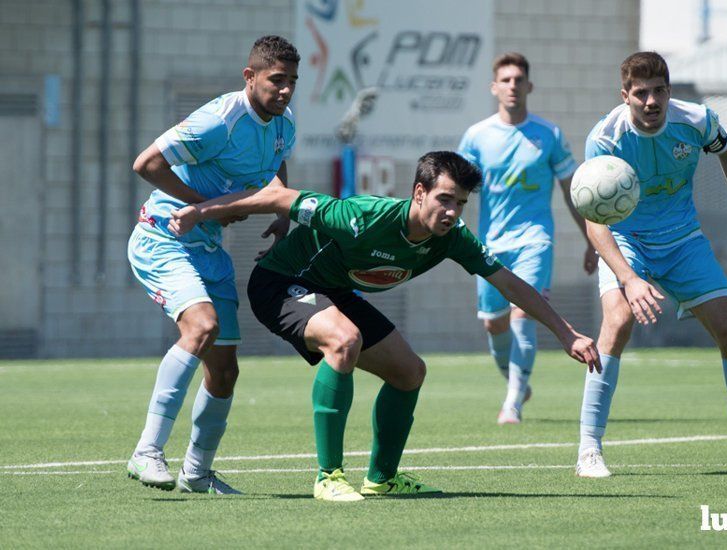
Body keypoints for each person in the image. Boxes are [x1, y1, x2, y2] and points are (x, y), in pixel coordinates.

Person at [168, 151, 601, 501]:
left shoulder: (452, 239)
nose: (452, 211)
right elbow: (277, 198)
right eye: (444, 199)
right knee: (344, 340)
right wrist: (199, 213)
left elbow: (508, 282)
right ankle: (328, 476)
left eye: (461, 203)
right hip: (281, 284)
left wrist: (566, 333)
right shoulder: (362, 216)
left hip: (333, 290)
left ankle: (382, 477)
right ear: (419, 192)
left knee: (409, 372)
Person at [575, 51, 727, 478]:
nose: (651, 102)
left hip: (684, 242)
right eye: (641, 94)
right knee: (616, 323)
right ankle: (588, 450)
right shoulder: (605, 138)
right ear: (625, 96)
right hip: (627, 242)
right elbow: (594, 220)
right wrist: (629, 278)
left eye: (659, 91)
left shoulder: (697, 120)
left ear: (669, 92)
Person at [125, 35, 299, 494]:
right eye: (276, 80)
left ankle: (197, 473)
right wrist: (209, 206)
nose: (285, 90)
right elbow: (146, 164)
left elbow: (277, 166)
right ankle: (146, 452)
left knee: (224, 370)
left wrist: (282, 215)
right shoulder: (219, 121)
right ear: (250, 76)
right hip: (164, 236)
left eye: (292, 82)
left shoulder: (284, 126)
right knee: (200, 328)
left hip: (208, 251)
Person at [458, 52, 598, 425]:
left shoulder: (548, 135)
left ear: (529, 86)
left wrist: (591, 240)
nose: (513, 86)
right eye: (505, 80)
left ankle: (513, 403)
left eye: (519, 79)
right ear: (494, 87)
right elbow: (454, 189)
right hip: (490, 244)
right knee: (494, 323)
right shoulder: (477, 136)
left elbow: (573, 191)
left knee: (525, 313)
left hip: (535, 240)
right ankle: (515, 381)